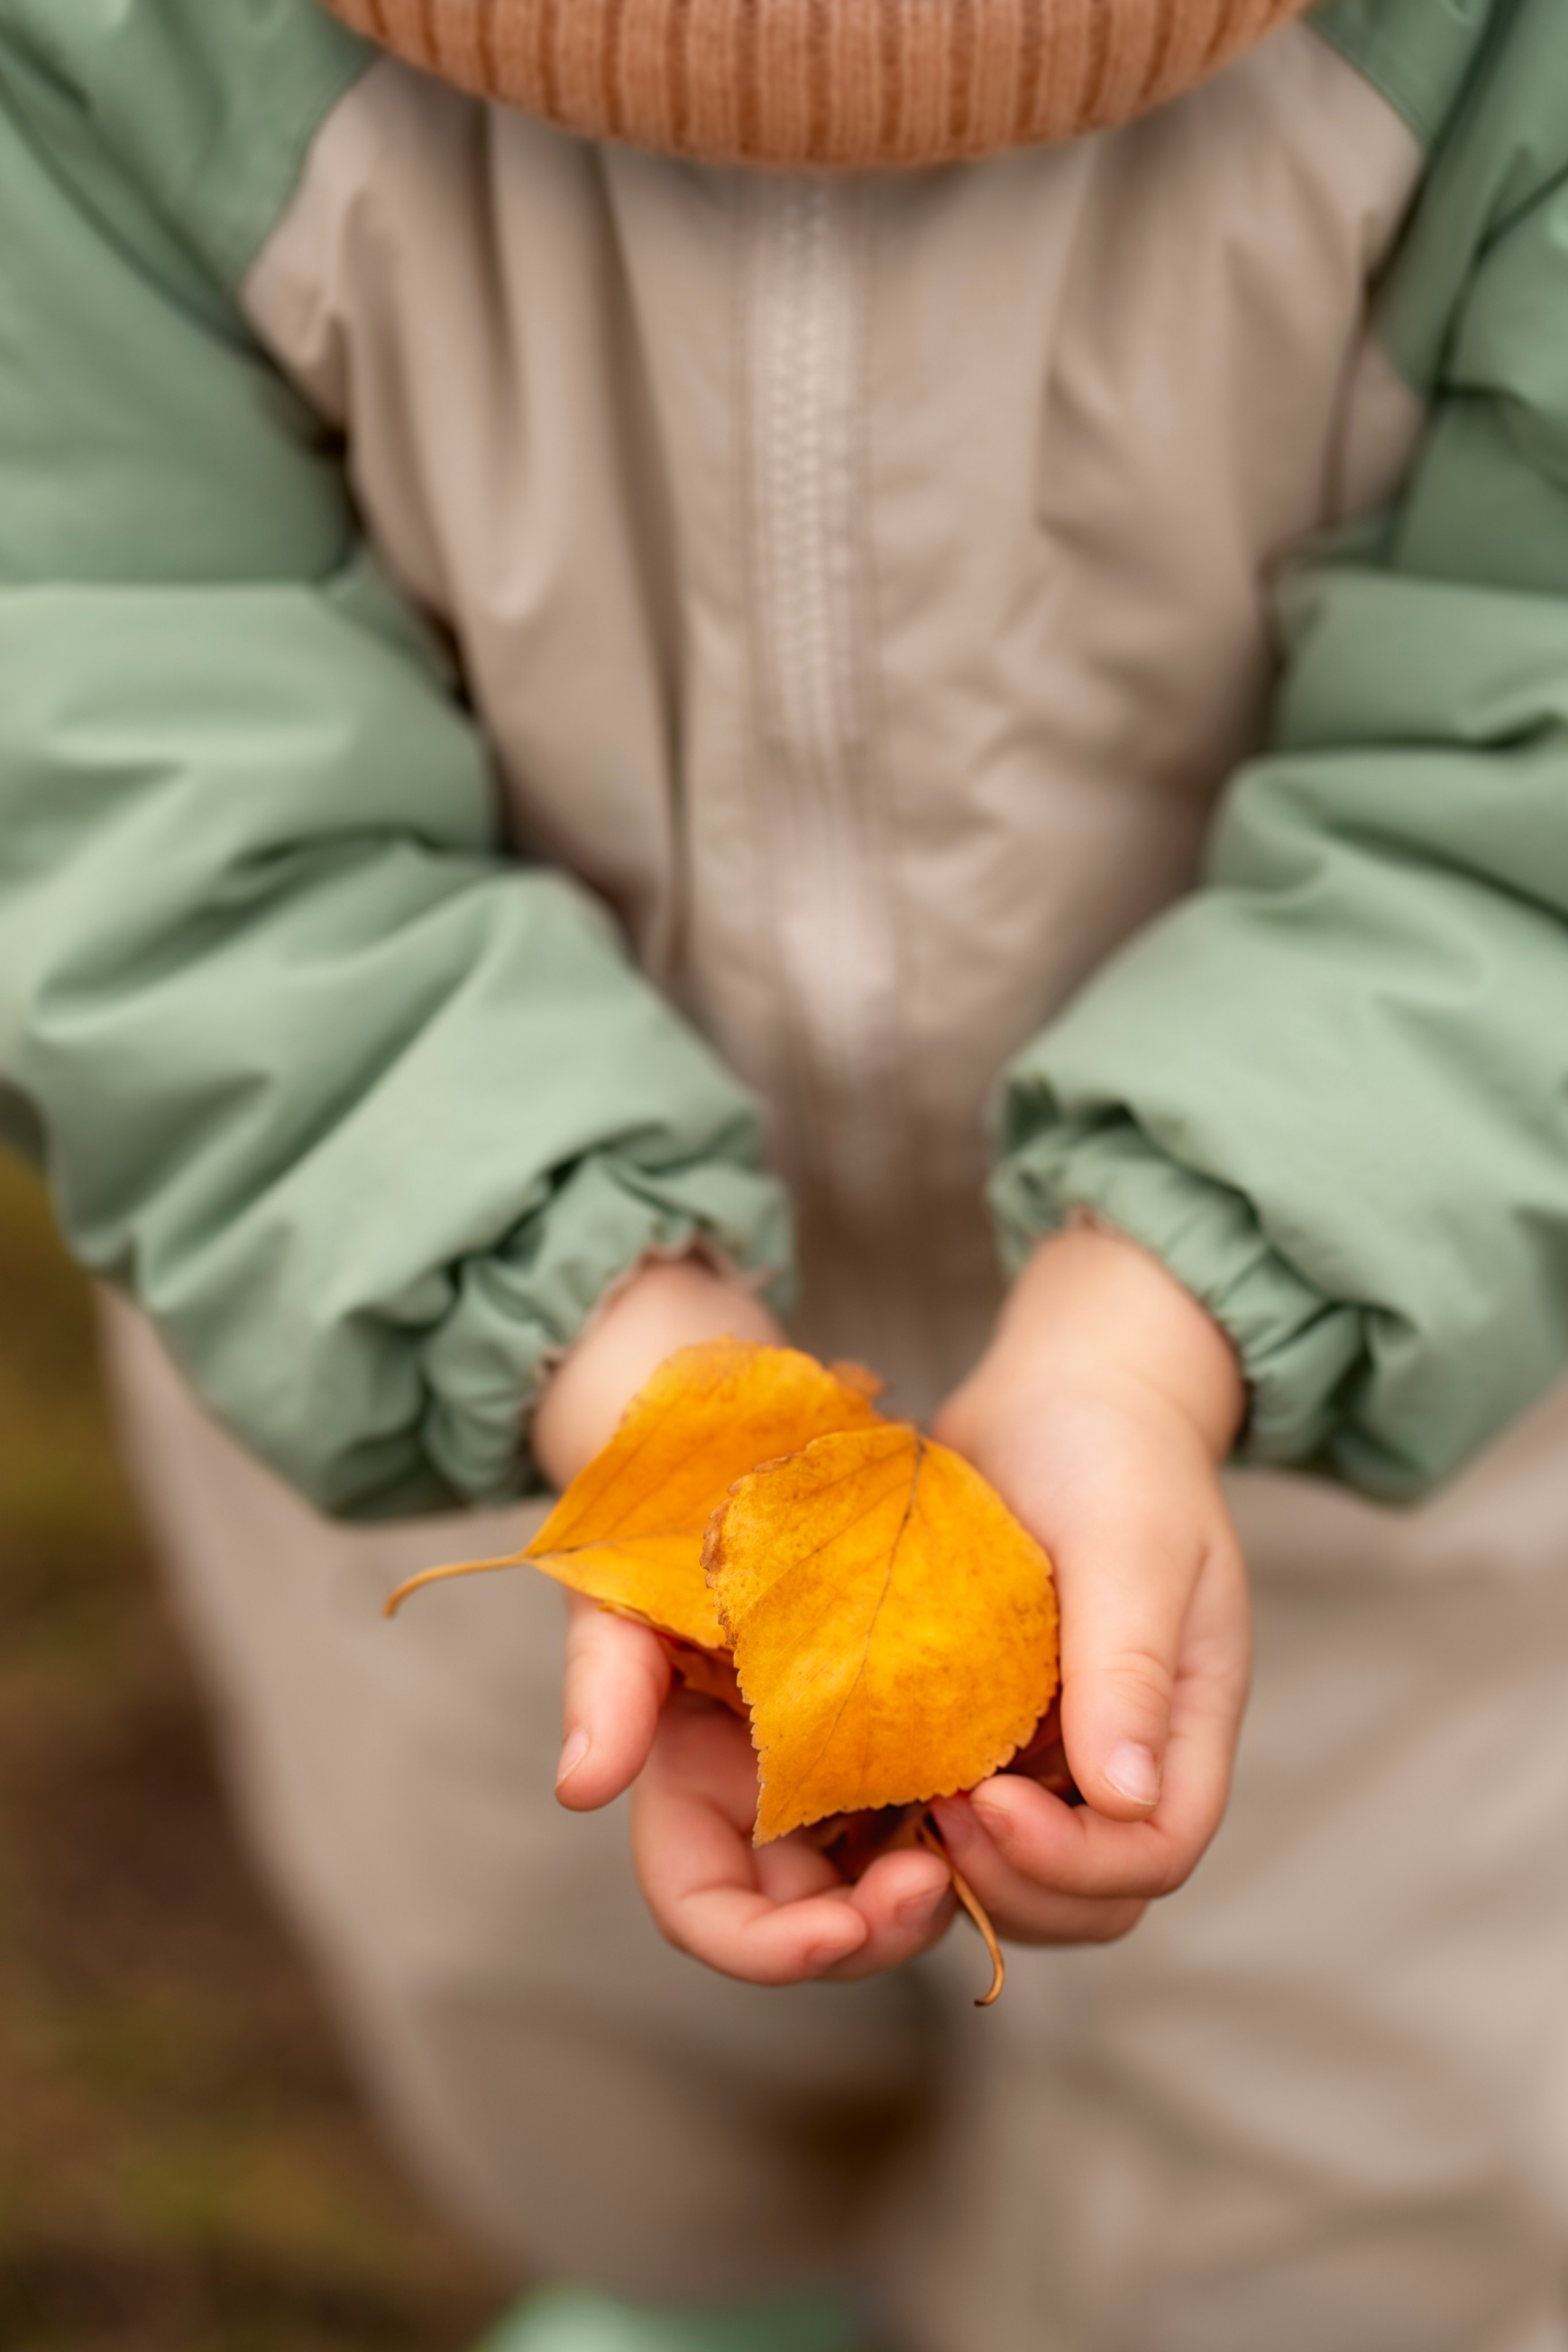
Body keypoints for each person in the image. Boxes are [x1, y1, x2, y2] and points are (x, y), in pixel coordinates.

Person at [4, 1, 1568, 2345]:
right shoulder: (105, 58)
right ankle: (722, 2286)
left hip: (1410, 1392)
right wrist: (604, 1342)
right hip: (454, 1330)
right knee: (577, 2019)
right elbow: (113, 740)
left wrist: (1173, 1314)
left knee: (1359, 2145)